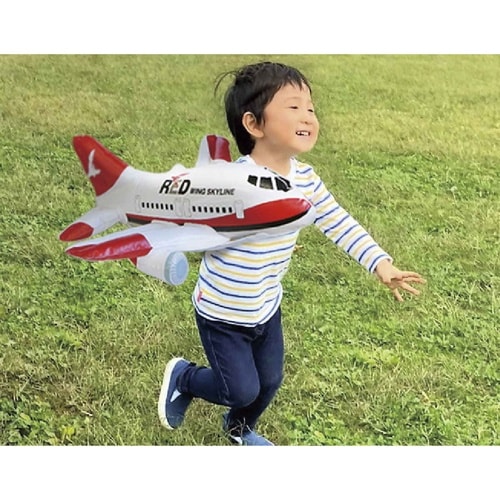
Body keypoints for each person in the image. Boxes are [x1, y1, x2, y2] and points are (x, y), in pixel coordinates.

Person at [157, 61, 425, 445]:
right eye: (293, 107)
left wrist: (380, 263)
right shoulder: (231, 183)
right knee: (239, 389)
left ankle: (238, 429)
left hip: (266, 305)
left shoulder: (305, 181)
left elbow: (337, 221)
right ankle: (184, 377)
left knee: (269, 381)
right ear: (254, 124)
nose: (307, 116)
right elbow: (195, 230)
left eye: (310, 108)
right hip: (223, 312)